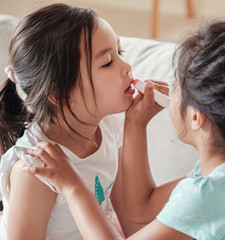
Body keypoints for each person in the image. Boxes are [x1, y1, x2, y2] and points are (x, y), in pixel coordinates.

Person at [23, 21, 225, 240]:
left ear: (196, 118)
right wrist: (136, 125)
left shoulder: (210, 195)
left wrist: (74, 188)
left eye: (177, 85)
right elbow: (140, 209)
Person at [0, 3, 167, 239]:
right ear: (61, 94)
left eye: (120, 53)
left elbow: (132, 217)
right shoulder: (36, 168)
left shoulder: (110, 126)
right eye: (108, 62)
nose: (127, 67)